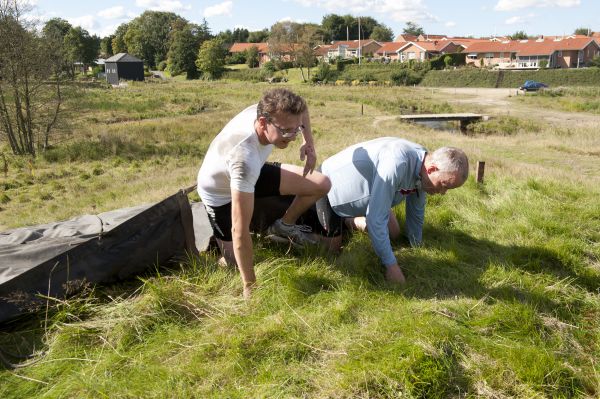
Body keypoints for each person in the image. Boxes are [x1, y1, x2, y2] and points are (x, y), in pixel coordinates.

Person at [197, 88, 331, 297]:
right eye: (286, 130)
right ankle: (223, 251)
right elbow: (238, 230)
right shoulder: (244, 158)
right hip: (219, 193)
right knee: (234, 263)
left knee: (321, 183)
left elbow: (301, 108)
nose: (292, 136)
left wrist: (309, 144)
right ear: (262, 123)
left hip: (254, 171)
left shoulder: (273, 113)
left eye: (296, 129)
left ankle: (283, 226)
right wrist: (249, 286)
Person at [313, 137, 469, 283]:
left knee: (393, 232)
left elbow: (417, 209)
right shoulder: (396, 164)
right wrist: (391, 266)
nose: (442, 193)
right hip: (328, 188)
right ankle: (295, 232)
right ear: (432, 169)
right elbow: (375, 219)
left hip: (369, 195)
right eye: (444, 185)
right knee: (333, 251)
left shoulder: (423, 163)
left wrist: (416, 245)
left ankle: (349, 221)